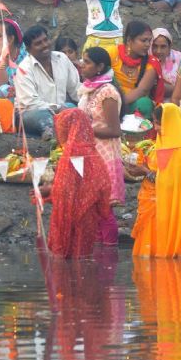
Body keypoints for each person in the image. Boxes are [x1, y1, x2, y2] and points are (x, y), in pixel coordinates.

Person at [41, 109, 112, 258]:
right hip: (89, 216)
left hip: (70, 216)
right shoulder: (92, 151)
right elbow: (103, 183)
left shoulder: (72, 152)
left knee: (65, 260)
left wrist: (49, 191)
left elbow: (64, 190)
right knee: (83, 258)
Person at [130, 104, 181, 258]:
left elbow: (168, 182)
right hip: (152, 203)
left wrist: (144, 171)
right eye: (154, 122)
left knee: (159, 255)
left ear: (169, 122)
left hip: (166, 206)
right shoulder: (160, 144)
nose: (155, 127)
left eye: (158, 123)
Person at [77, 46, 125, 246]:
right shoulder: (89, 89)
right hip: (90, 153)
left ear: (100, 67)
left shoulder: (108, 92)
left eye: (86, 62)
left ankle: (109, 254)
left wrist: (84, 129)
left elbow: (115, 130)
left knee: (104, 208)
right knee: (92, 207)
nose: (81, 65)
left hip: (105, 154)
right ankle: (98, 256)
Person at [14, 25, 81, 139]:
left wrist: (91, 103)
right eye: (38, 43)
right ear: (29, 49)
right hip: (31, 114)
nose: (45, 45)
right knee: (45, 117)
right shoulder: (24, 68)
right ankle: (52, 139)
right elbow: (31, 103)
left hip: (60, 111)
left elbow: (76, 89)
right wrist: (58, 108)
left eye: (46, 40)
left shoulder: (62, 58)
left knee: (74, 109)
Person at [107, 20, 164, 119]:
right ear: (129, 40)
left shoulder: (151, 64)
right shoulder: (113, 53)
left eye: (149, 41)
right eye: (143, 40)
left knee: (144, 104)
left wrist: (117, 104)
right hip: (109, 98)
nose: (147, 44)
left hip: (131, 103)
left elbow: (141, 91)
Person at [150, 27, 181, 98]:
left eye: (163, 47)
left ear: (169, 47)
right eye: (155, 46)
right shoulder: (146, 59)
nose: (158, 51)